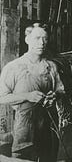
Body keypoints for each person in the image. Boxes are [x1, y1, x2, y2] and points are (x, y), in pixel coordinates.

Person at [0, 23, 64, 161]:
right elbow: (1, 98)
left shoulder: (51, 66)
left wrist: (55, 95)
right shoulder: (14, 67)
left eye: (45, 38)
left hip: (48, 123)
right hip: (25, 126)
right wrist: (27, 96)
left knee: (49, 156)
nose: (41, 43)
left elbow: (60, 90)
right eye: (37, 38)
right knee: (24, 158)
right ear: (27, 39)